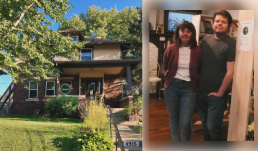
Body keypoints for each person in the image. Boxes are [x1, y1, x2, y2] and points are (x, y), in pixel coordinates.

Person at [197, 10, 236, 141]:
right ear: (213, 23)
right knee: (205, 125)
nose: (219, 24)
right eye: (217, 21)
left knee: (213, 127)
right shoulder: (205, 41)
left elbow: (230, 72)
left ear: (229, 26)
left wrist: (220, 93)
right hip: (201, 92)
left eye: (224, 22)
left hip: (217, 95)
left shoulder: (231, 44)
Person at [163, 21, 202, 141]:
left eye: (188, 31)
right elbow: (166, 66)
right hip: (172, 87)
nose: (185, 33)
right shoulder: (170, 49)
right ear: (178, 32)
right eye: (182, 30)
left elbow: (200, 69)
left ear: (192, 33)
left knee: (185, 121)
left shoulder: (198, 50)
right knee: (174, 119)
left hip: (190, 89)